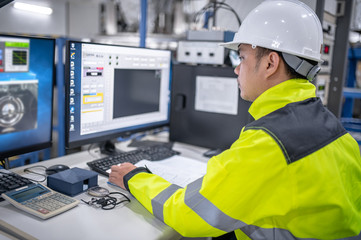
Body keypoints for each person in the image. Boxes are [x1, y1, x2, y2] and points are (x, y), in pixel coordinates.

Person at [109, 0, 361, 239]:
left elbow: (187, 214)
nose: (236, 69)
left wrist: (134, 177)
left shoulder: (269, 144)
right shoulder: (334, 129)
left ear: (271, 63)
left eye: (241, 57)